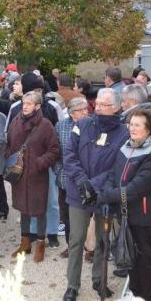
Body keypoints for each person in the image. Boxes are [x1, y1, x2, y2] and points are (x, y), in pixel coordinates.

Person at [61, 89, 128, 301]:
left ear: (117, 107)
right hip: (78, 192)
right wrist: (82, 182)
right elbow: (69, 155)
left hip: (104, 195)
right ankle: (72, 286)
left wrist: (94, 186)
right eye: (97, 103)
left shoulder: (124, 133)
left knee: (102, 240)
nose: (97, 108)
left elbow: (117, 167)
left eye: (104, 104)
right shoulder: (82, 125)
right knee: (77, 240)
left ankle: (99, 279)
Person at [98, 109, 151, 301]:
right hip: (127, 214)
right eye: (131, 124)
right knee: (131, 260)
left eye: (138, 124)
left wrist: (107, 195)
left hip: (146, 217)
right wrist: (107, 190)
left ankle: (147, 300)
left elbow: (137, 187)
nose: (132, 128)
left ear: (149, 128)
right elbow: (114, 174)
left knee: (146, 262)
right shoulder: (126, 147)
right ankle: (134, 296)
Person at [8, 91, 60, 263]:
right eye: (24, 103)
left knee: (39, 210)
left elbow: (54, 150)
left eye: (29, 104)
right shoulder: (16, 121)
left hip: (37, 175)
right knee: (23, 208)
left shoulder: (45, 125)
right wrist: (11, 160)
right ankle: (25, 243)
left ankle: (40, 244)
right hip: (20, 173)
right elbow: (10, 143)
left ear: (37, 106)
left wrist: (39, 163)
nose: (25, 106)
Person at [54, 97, 91, 258]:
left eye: (86, 109)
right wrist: (58, 170)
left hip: (87, 179)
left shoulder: (93, 126)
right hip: (65, 178)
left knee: (89, 215)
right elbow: (56, 151)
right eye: (80, 110)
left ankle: (91, 247)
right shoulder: (61, 126)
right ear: (70, 112)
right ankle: (71, 245)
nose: (85, 112)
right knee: (67, 216)